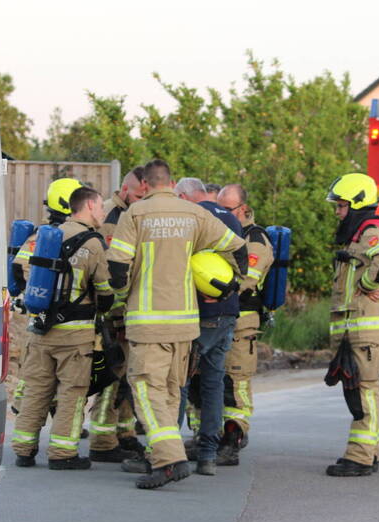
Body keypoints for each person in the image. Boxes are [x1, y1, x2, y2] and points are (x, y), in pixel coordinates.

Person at [106, 159, 246, 489]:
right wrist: (228, 288)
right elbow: (238, 249)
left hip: (148, 323)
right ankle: (162, 459)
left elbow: (117, 268)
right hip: (185, 324)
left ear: (145, 185)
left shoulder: (135, 214)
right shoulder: (195, 214)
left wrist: (124, 295)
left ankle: (169, 459)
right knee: (170, 391)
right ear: (171, 183)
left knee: (146, 389)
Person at [11, 185, 113, 469]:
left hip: (39, 329)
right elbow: (105, 292)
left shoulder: (42, 236)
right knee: (72, 392)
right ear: (89, 206)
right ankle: (62, 453)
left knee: (36, 390)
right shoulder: (93, 244)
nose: (103, 212)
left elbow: (18, 270)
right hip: (75, 336)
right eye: (100, 207)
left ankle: (23, 449)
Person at [324, 173, 379, 477]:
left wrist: (367, 284)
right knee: (361, 390)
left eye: (342, 206)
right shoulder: (357, 234)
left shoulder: (371, 229)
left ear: (356, 205)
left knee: (364, 390)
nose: (338, 212)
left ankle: (361, 457)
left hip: (365, 326)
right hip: (356, 326)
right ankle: (368, 453)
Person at [172, 177, 241, 476]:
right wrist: (227, 291)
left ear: (184, 197)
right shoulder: (231, 219)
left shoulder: (193, 218)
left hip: (200, 313)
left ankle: (167, 454)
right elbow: (242, 261)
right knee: (213, 383)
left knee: (180, 381)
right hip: (227, 312)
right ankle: (208, 456)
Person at [88, 167, 148, 462]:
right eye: (138, 195)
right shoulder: (110, 217)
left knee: (128, 379)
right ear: (125, 191)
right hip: (112, 316)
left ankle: (125, 434)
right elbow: (107, 273)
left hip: (131, 313)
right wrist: (114, 317)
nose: (142, 200)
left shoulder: (136, 215)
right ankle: (102, 441)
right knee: (112, 378)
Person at [10, 177, 83, 415]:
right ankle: (33, 408)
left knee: (35, 367)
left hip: (39, 314)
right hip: (57, 316)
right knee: (45, 368)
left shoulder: (43, 235)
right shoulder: (66, 236)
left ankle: (25, 407)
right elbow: (21, 265)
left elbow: (19, 267)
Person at [215, 183, 274, 466]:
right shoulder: (221, 234)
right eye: (219, 209)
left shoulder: (256, 239)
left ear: (244, 208)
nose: (222, 215)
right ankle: (209, 437)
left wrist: (213, 291)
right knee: (209, 380)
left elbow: (246, 279)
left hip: (242, 322)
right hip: (217, 317)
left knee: (235, 383)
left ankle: (233, 438)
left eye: (228, 209)